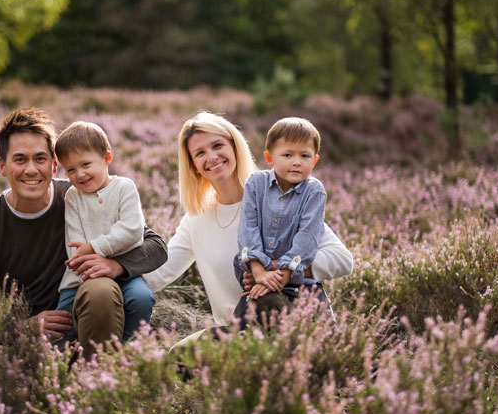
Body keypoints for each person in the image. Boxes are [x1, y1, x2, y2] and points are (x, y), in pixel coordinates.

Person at [0, 107, 167, 359]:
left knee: (100, 290)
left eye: (40, 158)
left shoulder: (80, 195)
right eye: (20, 159)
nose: (31, 169)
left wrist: (116, 265)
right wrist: (19, 328)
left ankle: (103, 378)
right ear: (3, 166)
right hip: (40, 343)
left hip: (96, 318)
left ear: (54, 164)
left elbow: (155, 246)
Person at [143, 112, 353, 344]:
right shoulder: (196, 220)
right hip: (236, 331)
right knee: (178, 357)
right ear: (193, 166)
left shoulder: (276, 197)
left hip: (290, 321)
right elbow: (159, 273)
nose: (212, 157)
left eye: (217, 146)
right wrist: (112, 270)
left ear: (235, 148)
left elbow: (342, 260)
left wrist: (275, 272)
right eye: (200, 153)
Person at [54, 121, 154, 343]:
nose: (79, 174)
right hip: (82, 276)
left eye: (86, 164)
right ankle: (59, 363)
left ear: (107, 159)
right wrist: (88, 257)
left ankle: (125, 351)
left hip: (126, 274)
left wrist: (94, 248)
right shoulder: (73, 197)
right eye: (70, 169)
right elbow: (75, 246)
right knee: (63, 324)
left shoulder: (124, 188)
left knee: (142, 299)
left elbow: (132, 231)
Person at [233, 117, 326, 328]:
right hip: (254, 274)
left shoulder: (314, 191)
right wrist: (258, 272)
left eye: (305, 156)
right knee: (245, 324)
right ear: (269, 158)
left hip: (298, 281)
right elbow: (248, 227)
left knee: (319, 334)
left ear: (314, 160)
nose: (296, 162)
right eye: (287, 155)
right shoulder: (256, 184)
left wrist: (281, 276)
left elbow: (307, 238)